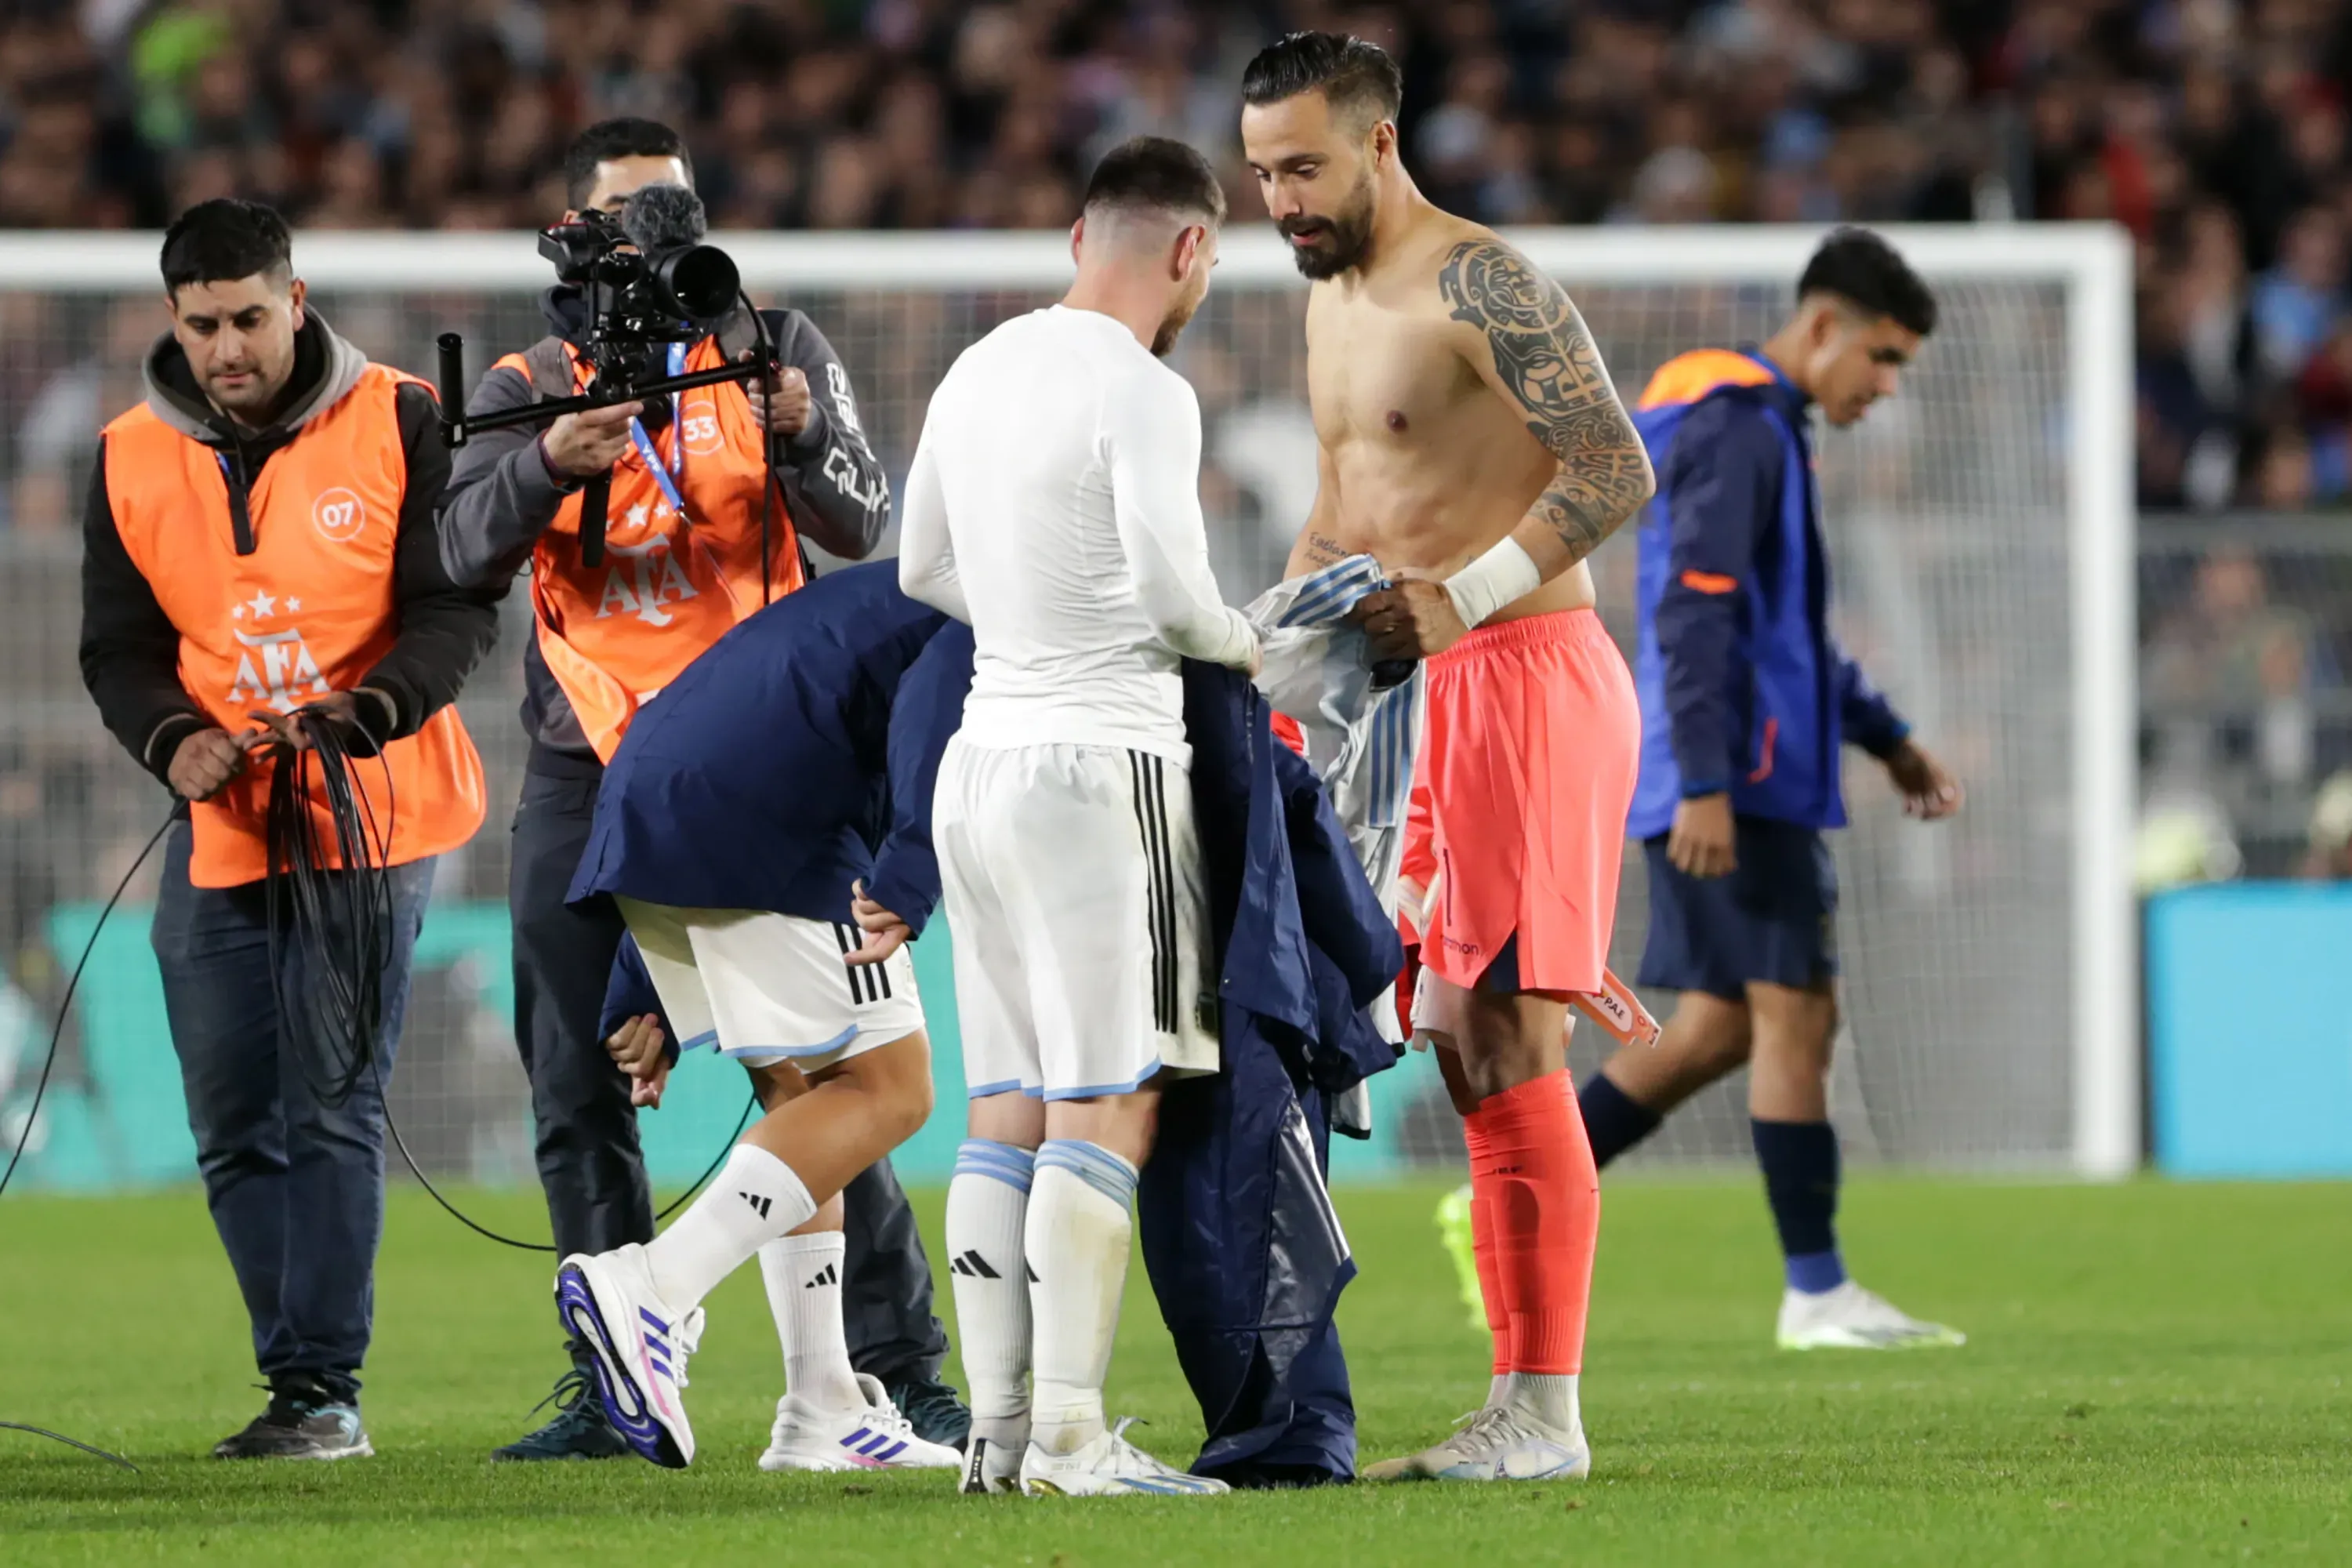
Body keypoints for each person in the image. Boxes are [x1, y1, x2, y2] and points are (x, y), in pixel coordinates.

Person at [437, 117, 965, 1459]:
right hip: (586, 757)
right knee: (583, 1081)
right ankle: (626, 1381)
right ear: (576, 235)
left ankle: (886, 1376)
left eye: (676, 209)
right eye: (631, 216)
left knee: (827, 1073)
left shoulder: (773, 346)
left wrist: (799, 439)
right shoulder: (525, 381)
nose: (660, 239)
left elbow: (865, 516)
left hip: (763, 763)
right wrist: (547, 465)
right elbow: (454, 547)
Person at [1240, 33, 1656, 1483]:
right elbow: (1352, 510)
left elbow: (1617, 465)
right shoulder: (1332, 299)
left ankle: (1544, 1416)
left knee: (1504, 1036)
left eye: (1302, 167)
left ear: (1378, 144)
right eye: (1259, 175)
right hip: (1399, 690)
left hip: (1523, 676)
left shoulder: (1483, 281)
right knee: (1466, 1055)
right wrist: (1257, 650)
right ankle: (1521, 1409)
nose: (1281, 199)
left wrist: (1459, 600)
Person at [78, 199, 499, 1458]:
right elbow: (117, 650)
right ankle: (301, 1386)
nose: (228, 347)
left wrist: (371, 707)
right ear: (174, 320)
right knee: (228, 1124)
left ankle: (321, 1395)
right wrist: (173, 740)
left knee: (332, 1105)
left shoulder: (404, 419)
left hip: (374, 810)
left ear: (296, 301)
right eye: (202, 324)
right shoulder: (121, 455)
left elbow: (455, 610)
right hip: (220, 820)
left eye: (249, 317)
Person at [898, 135, 1252, 1500]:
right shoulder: (1144, 387)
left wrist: (1042, 620)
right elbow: (1171, 597)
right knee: (1111, 1107)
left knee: (1008, 1106)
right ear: (1190, 252)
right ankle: (1069, 1437)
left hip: (977, 768)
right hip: (1098, 767)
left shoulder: (979, 365)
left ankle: (991, 1433)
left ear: (1075, 241)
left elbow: (925, 564)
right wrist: (1249, 642)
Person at [1580, 228, 1969, 1352]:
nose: (1885, 388)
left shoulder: (1768, 431)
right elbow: (1695, 614)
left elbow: (1789, 632)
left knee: (1716, 1029)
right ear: (1822, 325)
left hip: (1746, 771)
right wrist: (1704, 781)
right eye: (1883, 358)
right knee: (1802, 1013)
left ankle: (1520, 1178)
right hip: (1734, 780)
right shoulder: (1739, 429)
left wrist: (1888, 740)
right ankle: (1818, 1291)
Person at [554, 561, 969, 1473]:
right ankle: (652, 1286)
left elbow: (749, 731)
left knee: (805, 1095)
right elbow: (933, 712)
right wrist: (909, 870)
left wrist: (643, 980)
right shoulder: (985, 591)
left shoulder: (890, 586)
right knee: (889, 1088)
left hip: (659, 809)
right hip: (767, 833)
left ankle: (820, 1403)